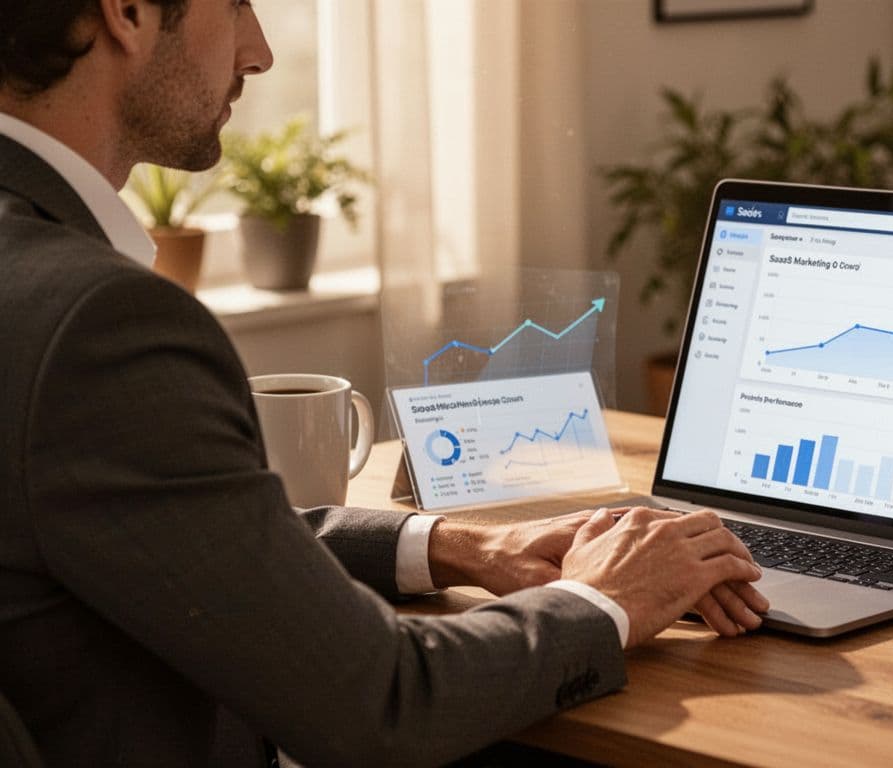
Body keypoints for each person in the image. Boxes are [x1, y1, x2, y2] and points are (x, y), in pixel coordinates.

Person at [0, 1, 767, 765]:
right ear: (127, 13)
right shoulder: (100, 323)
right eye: (236, 5)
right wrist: (605, 600)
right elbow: (382, 705)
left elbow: (181, 538)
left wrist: (454, 546)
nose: (259, 51)